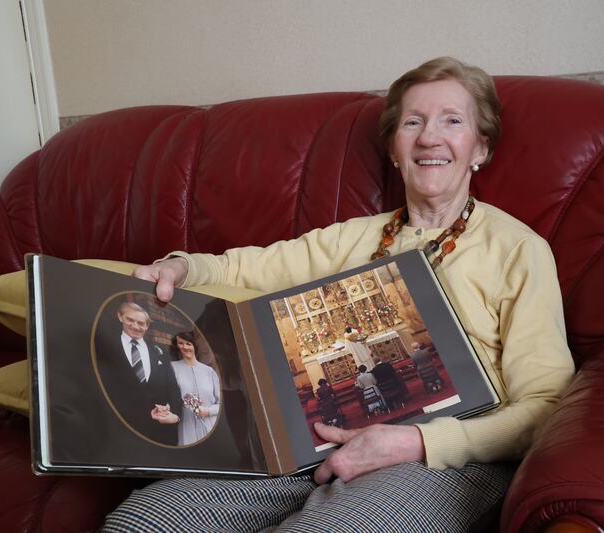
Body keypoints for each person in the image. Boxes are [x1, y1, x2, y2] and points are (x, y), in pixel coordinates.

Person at [105, 56, 574, 532]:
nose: (430, 137)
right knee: (142, 521)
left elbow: (546, 405)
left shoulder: (519, 250)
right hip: (313, 439)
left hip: (443, 460)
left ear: (480, 147)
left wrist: (416, 442)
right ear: (394, 148)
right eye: (413, 122)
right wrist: (181, 266)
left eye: (452, 121)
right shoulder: (355, 237)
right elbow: (249, 266)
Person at [94, 302, 183, 446]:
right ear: (120, 317)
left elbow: (172, 386)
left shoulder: (159, 350)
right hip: (119, 430)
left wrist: (176, 415)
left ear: (147, 326)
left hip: (159, 432)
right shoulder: (106, 346)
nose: (136, 326)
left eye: (141, 323)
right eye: (130, 320)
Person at [169, 331, 221, 446]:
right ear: (177, 347)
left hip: (210, 427)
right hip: (186, 427)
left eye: (188, 343)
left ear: (194, 346)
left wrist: (208, 411)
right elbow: (167, 396)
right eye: (181, 343)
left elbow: (221, 404)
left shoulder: (209, 372)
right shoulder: (172, 368)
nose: (185, 347)